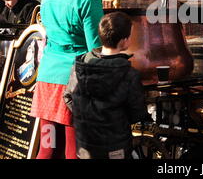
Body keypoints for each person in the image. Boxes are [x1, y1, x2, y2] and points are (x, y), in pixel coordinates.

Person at [30, 0, 108, 159]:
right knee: (74, 151)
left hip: (46, 78)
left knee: (47, 145)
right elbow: (96, 49)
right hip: (74, 83)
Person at [64, 11, 150, 159]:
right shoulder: (129, 74)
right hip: (115, 149)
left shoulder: (81, 64)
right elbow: (137, 113)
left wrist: (88, 116)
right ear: (124, 41)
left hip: (85, 147)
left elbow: (68, 97)